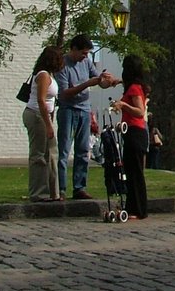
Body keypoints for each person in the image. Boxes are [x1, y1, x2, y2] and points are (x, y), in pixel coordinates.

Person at [56, 34, 119, 201]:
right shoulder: (63, 65)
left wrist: (110, 81)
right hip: (68, 110)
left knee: (83, 150)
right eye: (83, 53)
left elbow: (98, 81)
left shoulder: (86, 62)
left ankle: (79, 187)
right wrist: (87, 84)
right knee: (63, 150)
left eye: (87, 54)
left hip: (84, 109)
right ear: (74, 49)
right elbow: (64, 94)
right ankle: (60, 189)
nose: (85, 56)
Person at [21, 45, 64, 202]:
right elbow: (41, 100)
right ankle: (38, 192)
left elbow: (51, 100)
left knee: (52, 153)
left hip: (45, 116)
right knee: (39, 154)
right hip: (36, 115)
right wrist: (48, 124)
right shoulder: (43, 75)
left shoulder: (50, 75)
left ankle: (54, 192)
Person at [111, 55, 149, 220]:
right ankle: (133, 206)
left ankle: (138, 209)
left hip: (135, 131)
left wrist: (123, 105)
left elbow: (140, 112)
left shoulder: (134, 89)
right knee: (131, 171)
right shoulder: (136, 86)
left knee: (135, 172)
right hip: (131, 132)